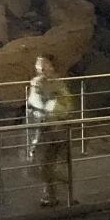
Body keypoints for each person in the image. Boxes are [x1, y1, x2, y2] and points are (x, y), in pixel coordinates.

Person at [25, 55, 75, 208]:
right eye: (38, 64)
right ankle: (53, 194)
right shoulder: (37, 84)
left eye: (44, 64)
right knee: (45, 163)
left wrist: (55, 112)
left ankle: (62, 194)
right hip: (45, 129)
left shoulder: (57, 84)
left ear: (52, 66)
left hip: (56, 128)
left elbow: (67, 105)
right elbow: (33, 105)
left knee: (56, 162)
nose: (40, 67)